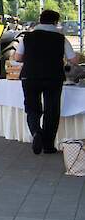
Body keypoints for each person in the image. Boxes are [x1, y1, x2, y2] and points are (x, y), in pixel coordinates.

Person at [14, 10, 79, 155]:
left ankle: (36, 132)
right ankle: (48, 145)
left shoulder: (27, 37)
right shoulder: (60, 38)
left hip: (30, 77)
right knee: (52, 110)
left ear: (40, 20)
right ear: (56, 22)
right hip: (53, 77)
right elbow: (74, 60)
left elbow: (17, 57)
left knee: (32, 108)